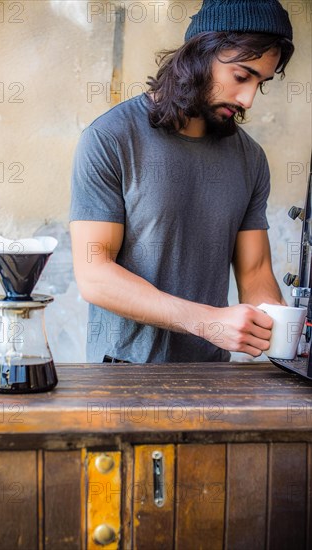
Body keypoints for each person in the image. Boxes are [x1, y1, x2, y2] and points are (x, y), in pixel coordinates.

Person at [70, 0, 295, 364]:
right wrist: (207, 322)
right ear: (199, 53)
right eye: (241, 76)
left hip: (211, 376)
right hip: (122, 377)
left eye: (260, 83)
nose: (248, 99)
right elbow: (95, 273)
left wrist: (289, 330)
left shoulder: (250, 158)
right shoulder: (111, 138)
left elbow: (254, 275)